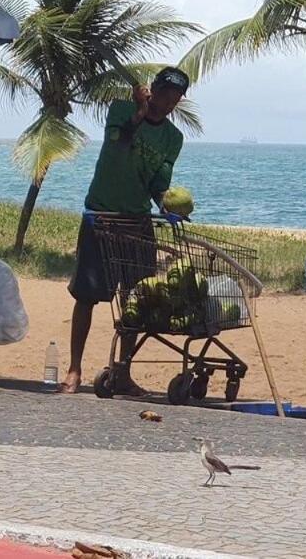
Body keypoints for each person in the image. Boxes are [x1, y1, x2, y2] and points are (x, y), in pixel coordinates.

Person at [58, 67, 188, 395]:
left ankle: (122, 371)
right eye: (163, 92)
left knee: (137, 302)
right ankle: (74, 369)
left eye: (175, 97)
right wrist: (140, 114)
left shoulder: (174, 138)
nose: (168, 101)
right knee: (86, 297)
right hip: (101, 215)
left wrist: (167, 204)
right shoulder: (121, 110)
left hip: (137, 221)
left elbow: (159, 183)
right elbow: (118, 143)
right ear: (152, 89)